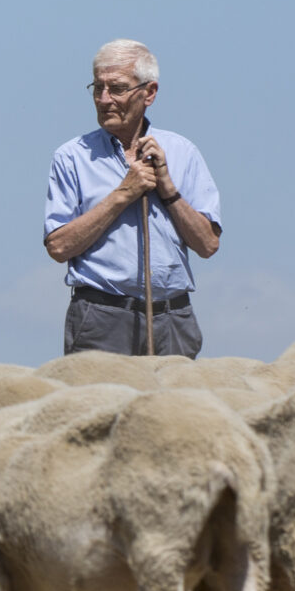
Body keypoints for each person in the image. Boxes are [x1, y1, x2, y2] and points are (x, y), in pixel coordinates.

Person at [42, 39, 221, 357]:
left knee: (170, 407)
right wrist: (125, 193)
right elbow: (58, 246)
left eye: (117, 88)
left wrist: (167, 188)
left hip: (172, 317)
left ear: (149, 93)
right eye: (98, 88)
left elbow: (207, 244)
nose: (104, 99)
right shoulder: (72, 157)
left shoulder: (182, 152)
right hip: (102, 318)